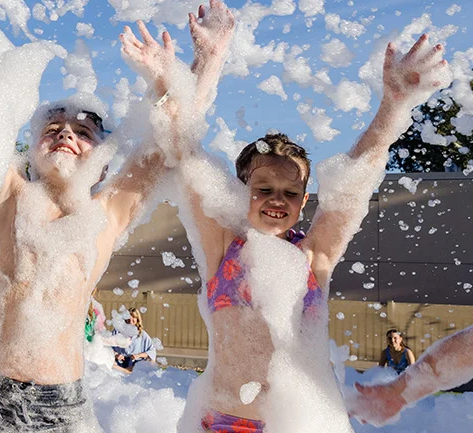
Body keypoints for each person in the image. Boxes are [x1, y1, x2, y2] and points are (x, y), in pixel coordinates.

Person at [0, 2, 236, 430]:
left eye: (84, 131)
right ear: (33, 148)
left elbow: (168, 142)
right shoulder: (8, 193)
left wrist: (207, 58)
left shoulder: (107, 211)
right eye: (52, 129)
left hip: (60, 401)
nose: (67, 133)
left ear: (103, 163)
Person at [156, 19, 453, 431]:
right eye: (264, 188)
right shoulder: (222, 247)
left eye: (290, 192)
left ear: (303, 202)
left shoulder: (311, 258)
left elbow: (351, 191)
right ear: (241, 193)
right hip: (221, 420)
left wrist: (394, 104)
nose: (277, 199)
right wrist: (207, 60)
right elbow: (185, 153)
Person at [350, 325, 473, 426]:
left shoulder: (407, 353)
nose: (393, 341)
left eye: (395, 338)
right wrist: (399, 392)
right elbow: (467, 348)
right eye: (390, 338)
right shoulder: (385, 353)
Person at [111, 308, 158, 373]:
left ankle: (126, 371)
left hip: (135, 363)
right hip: (120, 362)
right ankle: (127, 371)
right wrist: (116, 355)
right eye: (129, 317)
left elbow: (152, 352)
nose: (131, 319)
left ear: (137, 319)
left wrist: (138, 355)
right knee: (109, 363)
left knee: (150, 363)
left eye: (133, 317)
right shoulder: (117, 331)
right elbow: (108, 347)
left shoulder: (142, 334)